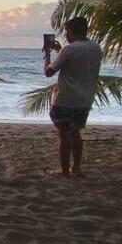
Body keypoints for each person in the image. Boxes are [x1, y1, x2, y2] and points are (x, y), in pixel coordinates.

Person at [43, 16, 102, 176]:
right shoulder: (96, 48)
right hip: (85, 99)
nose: (65, 34)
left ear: (72, 31)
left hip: (65, 99)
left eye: (66, 31)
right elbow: (77, 62)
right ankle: (76, 167)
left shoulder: (69, 50)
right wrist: (59, 50)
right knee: (75, 133)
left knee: (63, 134)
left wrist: (47, 53)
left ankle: (64, 171)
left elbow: (49, 72)